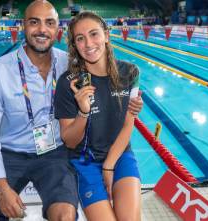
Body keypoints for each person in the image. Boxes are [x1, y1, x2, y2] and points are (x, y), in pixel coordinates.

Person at [0, 1, 79, 220]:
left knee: (65, 216)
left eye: (49, 23)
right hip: (8, 155)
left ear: (57, 30)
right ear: (23, 26)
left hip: (54, 154)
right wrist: (1, 189)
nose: (42, 30)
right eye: (34, 22)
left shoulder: (69, 65)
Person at [54, 12, 143, 221]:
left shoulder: (130, 72)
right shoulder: (70, 83)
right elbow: (69, 140)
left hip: (120, 156)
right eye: (80, 38)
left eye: (94, 34)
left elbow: (128, 126)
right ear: (75, 45)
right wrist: (83, 111)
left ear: (106, 35)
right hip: (85, 162)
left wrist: (109, 165)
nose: (88, 43)